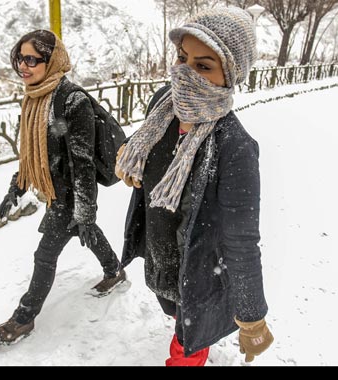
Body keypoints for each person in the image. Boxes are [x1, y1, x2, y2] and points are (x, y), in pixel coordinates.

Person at [116, 7, 273, 366]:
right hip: (160, 258)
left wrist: (252, 316)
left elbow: (242, 239)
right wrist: (128, 153)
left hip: (199, 273)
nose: (184, 74)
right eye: (181, 58)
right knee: (175, 314)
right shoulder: (163, 106)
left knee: (188, 339)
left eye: (203, 66)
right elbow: (146, 148)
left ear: (229, 75)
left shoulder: (234, 147)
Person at [0, 30, 126, 346]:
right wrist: (16, 187)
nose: (23, 66)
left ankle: (24, 318)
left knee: (45, 255)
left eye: (31, 59)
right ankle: (114, 270)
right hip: (56, 191)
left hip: (68, 193)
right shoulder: (34, 97)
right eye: (19, 58)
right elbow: (31, 154)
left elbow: (83, 164)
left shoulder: (72, 101)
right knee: (82, 231)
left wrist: (85, 212)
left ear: (51, 62)